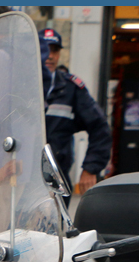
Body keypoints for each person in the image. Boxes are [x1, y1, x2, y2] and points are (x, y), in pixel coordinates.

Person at [39, 27, 111, 195]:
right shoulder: (19, 85)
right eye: (45, 49)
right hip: (20, 177)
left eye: (54, 50)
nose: (50, 55)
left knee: (56, 221)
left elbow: (100, 127)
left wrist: (91, 168)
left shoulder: (71, 88)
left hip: (56, 179)